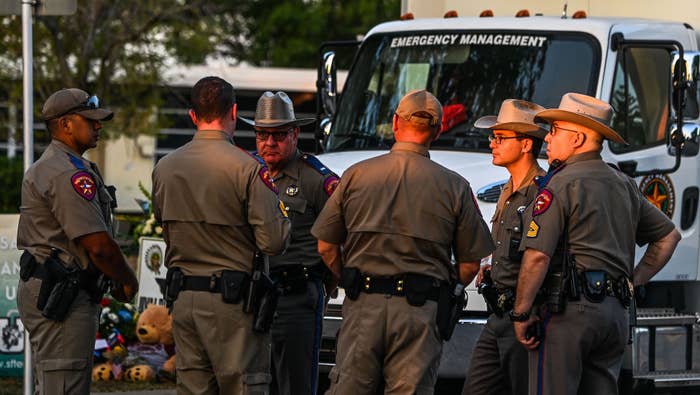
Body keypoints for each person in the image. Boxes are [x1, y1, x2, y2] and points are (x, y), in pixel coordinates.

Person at [312, 89, 495, 394]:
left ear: (396, 123)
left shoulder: (356, 175)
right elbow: (469, 264)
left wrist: (346, 276)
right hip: (420, 312)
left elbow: (326, 246)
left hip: (362, 305)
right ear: (436, 131)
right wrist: (446, 287)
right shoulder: (455, 187)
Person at [511, 93, 682, 395]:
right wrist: (634, 280)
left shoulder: (560, 183)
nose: (547, 139)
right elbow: (669, 236)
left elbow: (537, 256)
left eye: (554, 131)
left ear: (577, 138)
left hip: (568, 313)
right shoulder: (624, 184)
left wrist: (522, 312)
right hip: (615, 314)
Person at [152, 76, 291, 394]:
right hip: (233, 306)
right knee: (243, 385)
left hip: (184, 299)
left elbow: (165, 227)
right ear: (233, 112)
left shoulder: (165, 167)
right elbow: (274, 241)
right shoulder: (248, 168)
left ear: (192, 115)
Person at [17, 88, 139, 394]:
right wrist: (126, 280)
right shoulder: (64, 173)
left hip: (62, 289)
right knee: (64, 385)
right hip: (62, 293)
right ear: (66, 124)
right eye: (90, 120)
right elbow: (98, 245)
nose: (98, 126)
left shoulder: (67, 166)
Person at [242, 91, 339, 395]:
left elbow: (344, 234)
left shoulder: (316, 180)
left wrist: (330, 280)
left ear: (295, 134)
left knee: (295, 385)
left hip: (296, 298)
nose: (269, 143)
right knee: (252, 382)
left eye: (279, 135)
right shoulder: (245, 171)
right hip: (251, 297)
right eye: (262, 134)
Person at [463, 99, 547, 395]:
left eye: (500, 137)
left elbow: (540, 256)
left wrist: (526, 311)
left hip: (521, 317)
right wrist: (491, 269)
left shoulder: (540, 193)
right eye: (493, 137)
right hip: (497, 313)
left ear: (526, 144)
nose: (492, 144)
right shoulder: (508, 190)